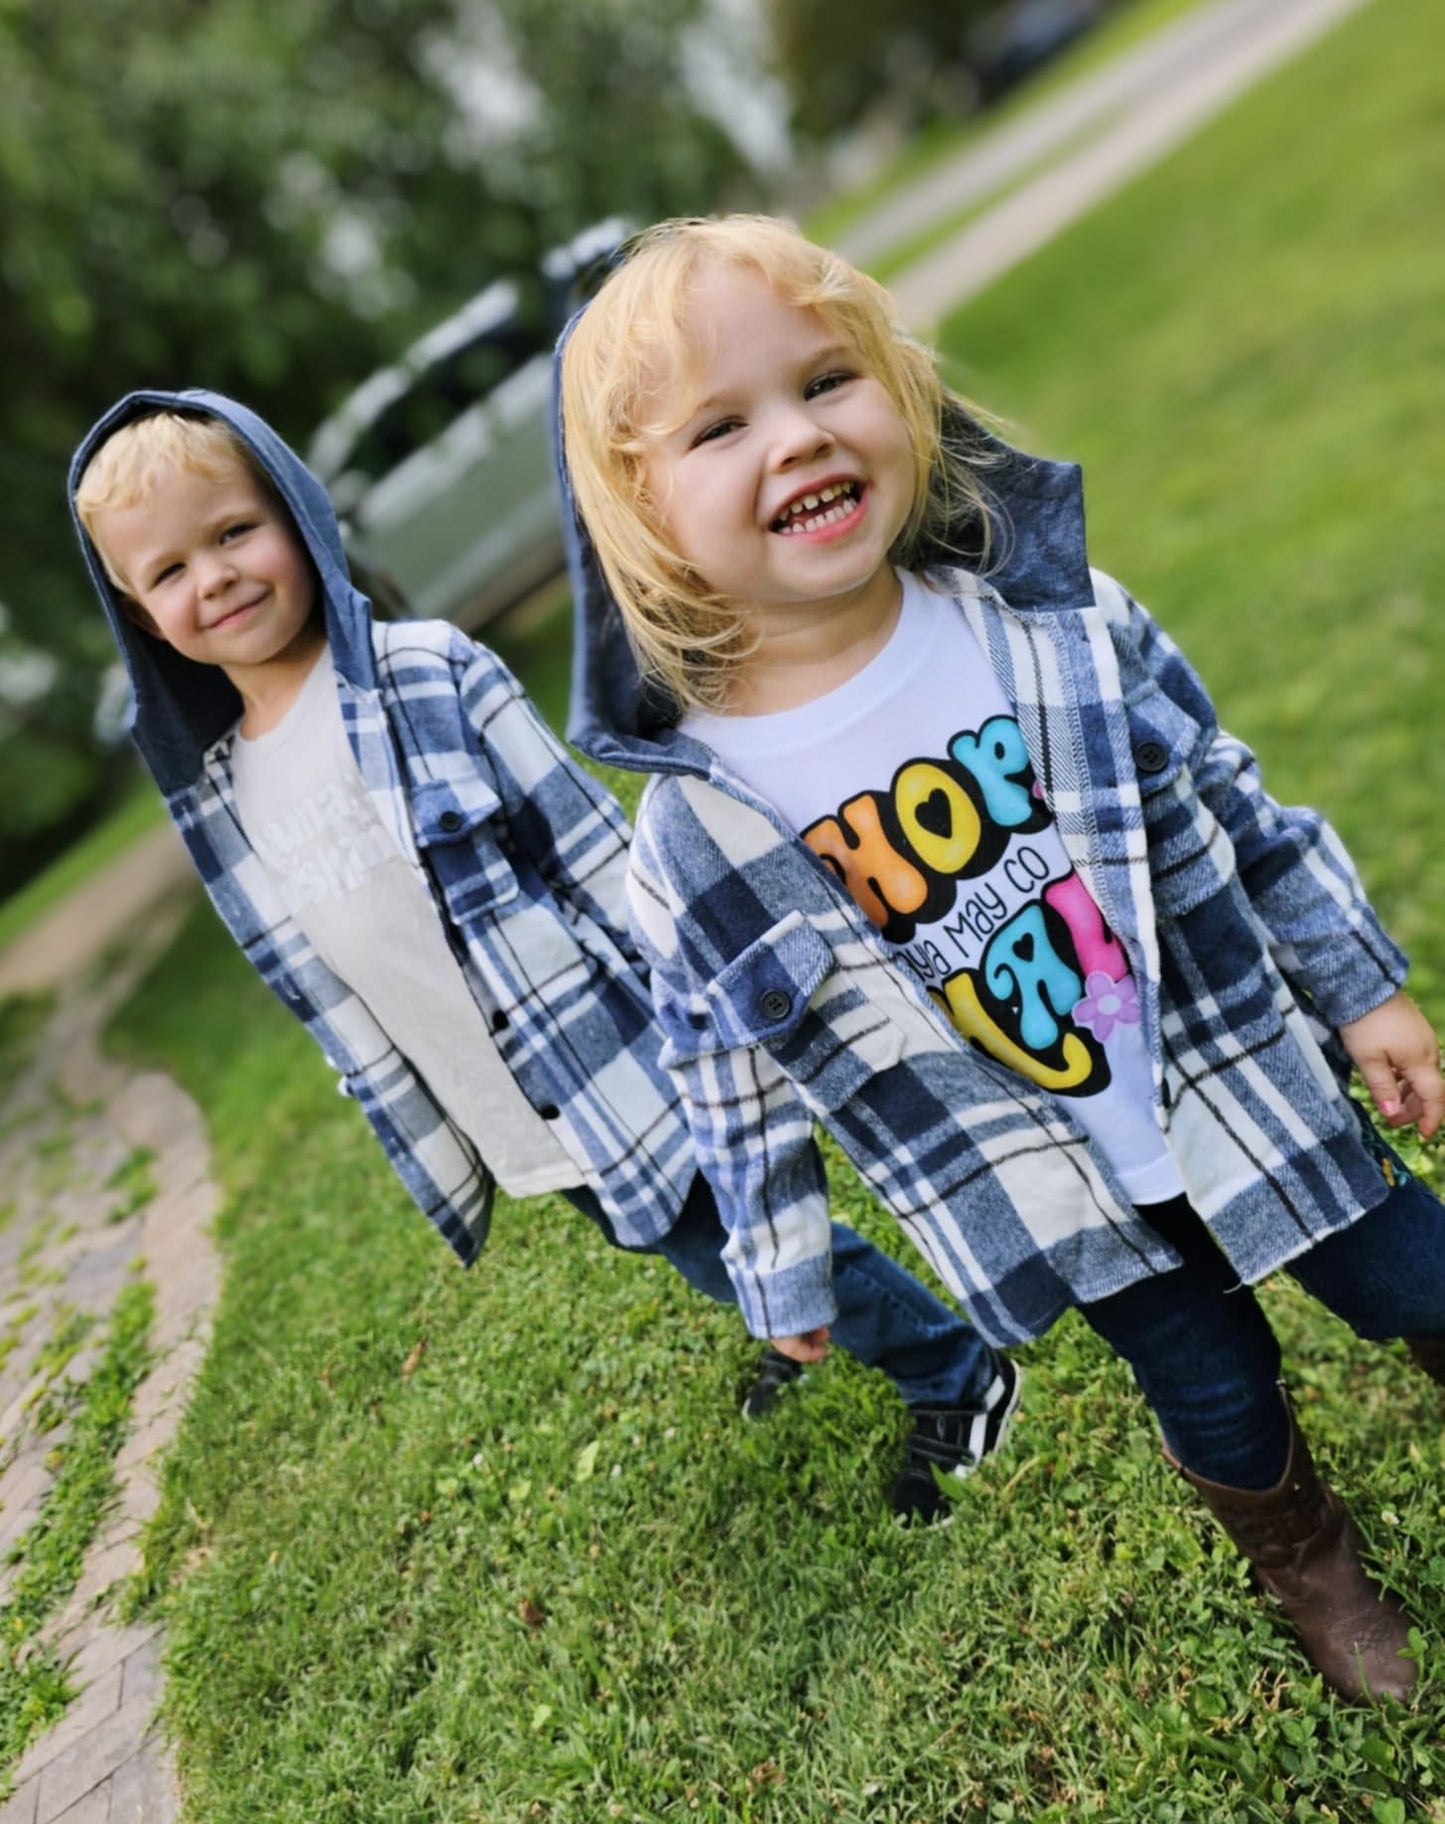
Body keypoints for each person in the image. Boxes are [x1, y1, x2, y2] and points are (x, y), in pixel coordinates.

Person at [556, 214, 1445, 1703]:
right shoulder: (699, 829)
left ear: (901, 392)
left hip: (1236, 1073)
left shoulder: (1050, 626)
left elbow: (1230, 799)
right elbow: (725, 1066)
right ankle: (1311, 1568)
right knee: (1212, 1386)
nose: (797, 436)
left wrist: (1357, 989)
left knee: (1412, 1272)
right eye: (721, 425)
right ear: (642, 519)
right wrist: (779, 1264)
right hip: (1047, 1177)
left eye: (825, 381)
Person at [68, 389, 1020, 1521]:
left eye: (234, 532)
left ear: (299, 517)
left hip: (613, 1051)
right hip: (506, 1102)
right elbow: (323, 985)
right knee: (658, 1233)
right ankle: (789, 1317)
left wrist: (698, 1023)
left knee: (724, 1232)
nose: (215, 578)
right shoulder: (223, 794)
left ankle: (952, 1369)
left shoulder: (424, 675)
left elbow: (593, 854)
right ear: (139, 614)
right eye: (169, 571)